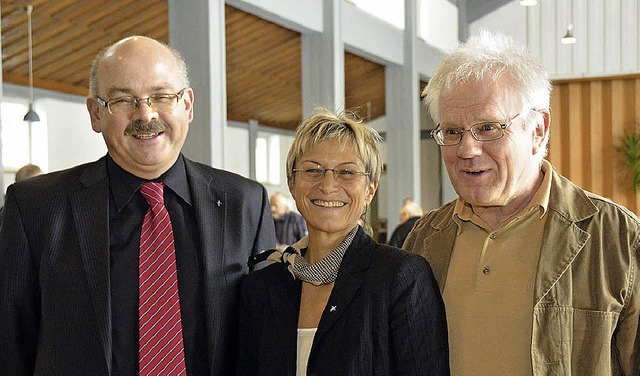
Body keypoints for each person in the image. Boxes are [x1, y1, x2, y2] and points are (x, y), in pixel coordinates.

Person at [0, 36, 276, 375]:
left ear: (187, 105)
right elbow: (10, 346)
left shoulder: (245, 203)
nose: (145, 114)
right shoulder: (34, 208)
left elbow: (262, 341)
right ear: (95, 113)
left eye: (162, 96)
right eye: (122, 99)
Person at [404, 30, 640, 375]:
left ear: (538, 129)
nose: (467, 150)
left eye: (488, 128)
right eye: (452, 132)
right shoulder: (423, 239)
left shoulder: (618, 239)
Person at [238, 108, 449, 375]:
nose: (328, 185)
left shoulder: (400, 278)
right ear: (292, 184)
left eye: (347, 172)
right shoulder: (260, 289)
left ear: (370, 189)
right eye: (313, 170)